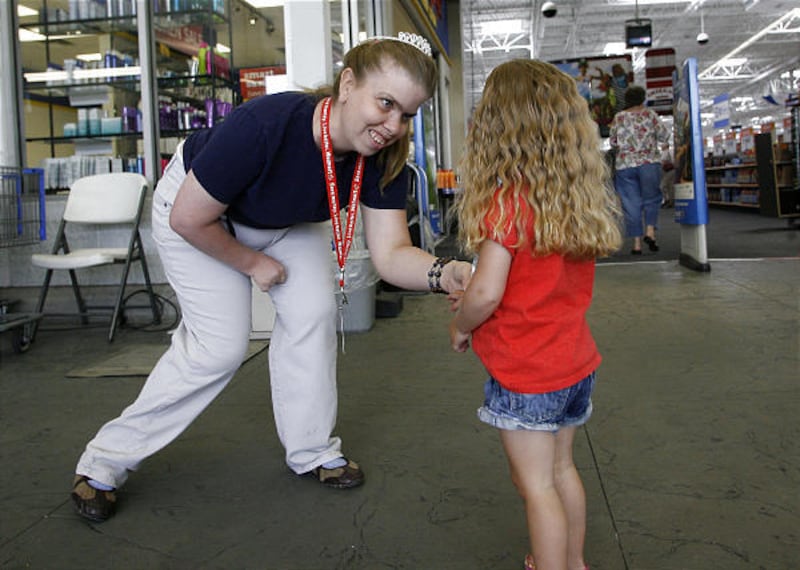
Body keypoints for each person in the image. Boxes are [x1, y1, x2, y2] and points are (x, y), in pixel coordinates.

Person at [70, 33, 473, 523]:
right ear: (348, 84)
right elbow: (188, 220)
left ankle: (312, 450)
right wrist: (252, 264)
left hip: (281, 223)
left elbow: (390, 255)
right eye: (385, 103)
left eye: (407, 113)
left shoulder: (385, 156)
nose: (392, 126)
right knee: (217, 348)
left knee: (314, 311)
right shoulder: (266, 124)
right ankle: (103, 463)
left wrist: (445, 272)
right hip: (198, 216)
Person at [448, 60, 622, 570]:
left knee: (535, 486)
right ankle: (573, 561)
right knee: (563, 470)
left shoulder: (504, 203)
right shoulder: (572, 203)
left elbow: (484, 294)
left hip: (526, 374)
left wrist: (460, 326)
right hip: (573, 366)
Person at [608, 85, 669, 255]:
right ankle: (650, 232)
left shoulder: (619, 117)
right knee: (651, 198)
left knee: (631, 203)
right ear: (643, 98)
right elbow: (664, 135)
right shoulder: (650, 115)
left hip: (625, 165)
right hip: (649, 162)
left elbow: (613, 142)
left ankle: (636, 244)